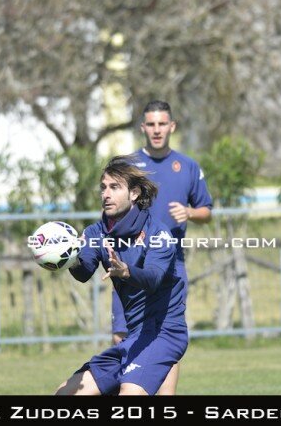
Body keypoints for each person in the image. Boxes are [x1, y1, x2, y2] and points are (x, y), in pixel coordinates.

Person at [56, 155, 187, 396]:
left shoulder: (158, 233)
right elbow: (84, 272)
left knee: (130, 393)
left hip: (164, 332)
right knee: (65, 394)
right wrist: (67, 258)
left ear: (134, 193)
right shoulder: (96, 231)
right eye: (103, 187)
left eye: (115, 187)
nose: (106, 194)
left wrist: (126, 271)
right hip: (134, 336)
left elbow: (153, 278)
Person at [110, 100, 213, 395]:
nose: (157, 130)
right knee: (122, 335)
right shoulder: (127, 167)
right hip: (130, 264)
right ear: (143, 127)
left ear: (172, 126)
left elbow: (206, 210)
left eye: (162, 124)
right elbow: (110, 209)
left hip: (169, 266)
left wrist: (190, 213)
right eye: (151, 124)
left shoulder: (188, 166)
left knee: (166, 337)